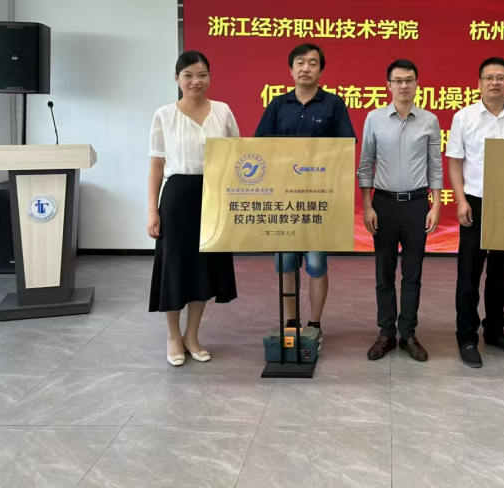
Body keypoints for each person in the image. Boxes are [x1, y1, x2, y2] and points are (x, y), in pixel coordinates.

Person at [254, 43, 356, 338]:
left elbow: (346, 147)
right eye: (300, 63)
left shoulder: (333, 104)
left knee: (316, 264)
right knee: (286, 263)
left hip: (318, 200)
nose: (306, 68)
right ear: (291, 69)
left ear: (321, 70)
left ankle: (314, 324)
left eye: (312, 63)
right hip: (283, 201)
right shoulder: (277, 105)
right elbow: (260, 145)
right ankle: (290, 322)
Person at [446, 57, 504, 368]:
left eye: (501, 77)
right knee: (469, 274)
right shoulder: (464, 117)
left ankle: (495, 330)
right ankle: (466, 336)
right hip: (475, 203)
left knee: (501, 273)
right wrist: (461, 201)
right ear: (479, 84)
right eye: (489, 77)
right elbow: (455, 162)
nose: (495, 82)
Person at [147, 50, 238, 366]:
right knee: (174, 267)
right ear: (177, 79)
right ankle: (173, 335)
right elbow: (156, 167)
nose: (195, 81)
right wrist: (152, 210)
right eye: (188, 75)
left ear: (210, 77)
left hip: (214, 196)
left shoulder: (223, 111)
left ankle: (192, 335)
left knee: (204, 269)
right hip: (176, 198)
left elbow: (236, 155)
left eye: (201, 75)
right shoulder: (164, 115)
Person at [358, 59, 443, 362]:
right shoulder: (374, 118)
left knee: (412, 274)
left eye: (409, 80)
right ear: (388, 85)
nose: (404, 85)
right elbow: (366, 163)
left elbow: (435, 165)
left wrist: (436, 204)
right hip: (383, 204)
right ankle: (386, 333)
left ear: (417, 84)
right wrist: (367, 205)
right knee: (384, 272)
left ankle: (408, 334)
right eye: (398, 80)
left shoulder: (429, 120)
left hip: (417, 205)